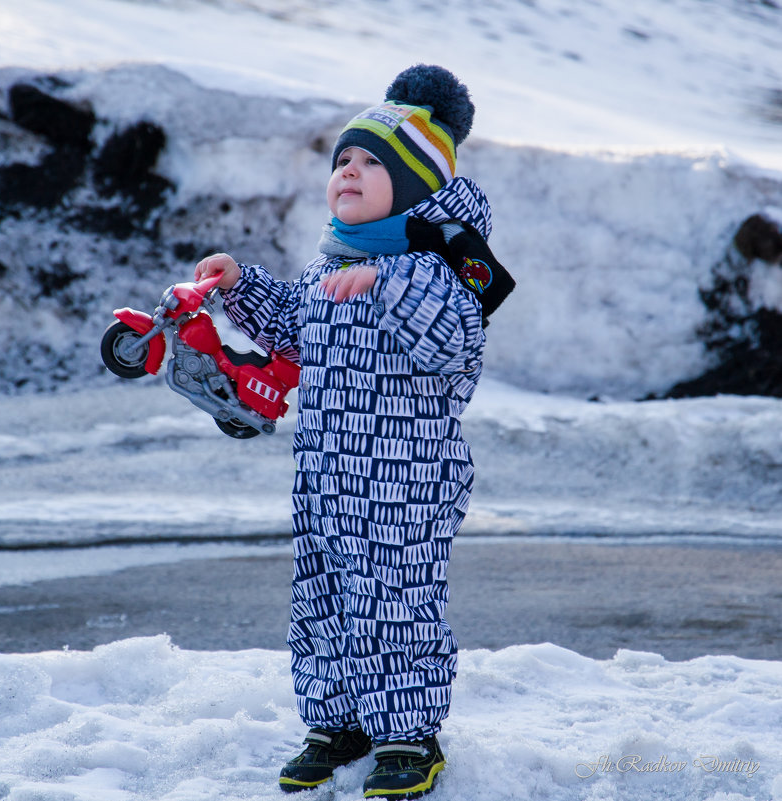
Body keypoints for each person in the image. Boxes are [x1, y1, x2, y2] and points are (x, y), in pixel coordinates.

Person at [195, 64, 513, 800]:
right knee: (324, 599)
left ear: (411, 186)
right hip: (326, 475)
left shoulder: (438, 269)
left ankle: (407, 734)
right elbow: (298, 332)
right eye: (343, 160)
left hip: (404, 478)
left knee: (394, 600)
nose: (350, 173)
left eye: (373, 163)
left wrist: (388, 282)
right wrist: (240, 285)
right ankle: (335, 722)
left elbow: (455, 338)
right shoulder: (332, 261)